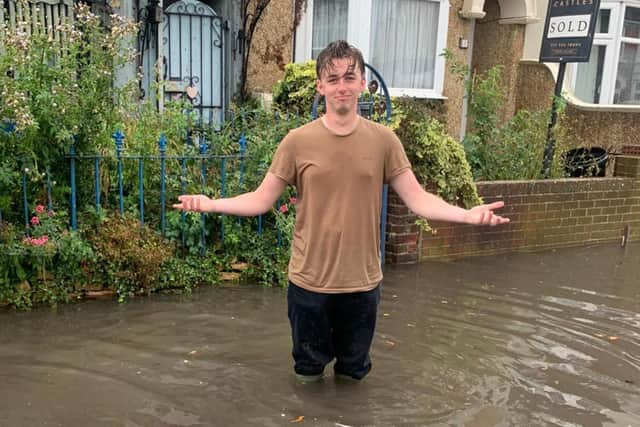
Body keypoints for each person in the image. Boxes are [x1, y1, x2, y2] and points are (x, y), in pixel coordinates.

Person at [173, 40, 509, 382]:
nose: (342, 86)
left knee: (353, 377)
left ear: (363, 83)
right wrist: (211, 203)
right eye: (332, 79)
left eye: (350, 77)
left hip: (361, 285)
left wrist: (466, 215)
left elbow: (418, 199)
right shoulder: (297, 142)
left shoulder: (384, 142)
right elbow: (261, 200)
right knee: (307, 376)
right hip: (309, 284)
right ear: (320, 86)